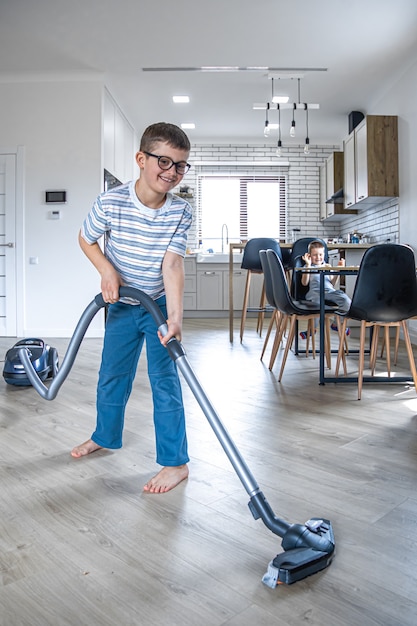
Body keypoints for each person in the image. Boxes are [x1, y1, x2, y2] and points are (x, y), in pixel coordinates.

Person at [71, 122, 193, 494]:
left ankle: (176, 464)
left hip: (155, 304)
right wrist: (106, 270)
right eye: (164, 161)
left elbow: (172, 265)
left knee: (165, 382)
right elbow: (86, 238)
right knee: (112, 374)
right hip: (122, 305)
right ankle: (104, 436)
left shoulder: (180, 212)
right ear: (141, 159)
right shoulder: (110, 202)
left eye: (181, 165)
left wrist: (174, 318)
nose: (171, 172)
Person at [299, 240, 351, 338]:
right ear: (309, 255)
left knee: (346, 300)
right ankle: (312, 329)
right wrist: (308, 266)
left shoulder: (327, 266)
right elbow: (304, 283)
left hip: (329, 291)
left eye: (320, 254)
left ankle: (337, 324)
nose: (318, 257)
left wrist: (338, 270)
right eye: (315, 255)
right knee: (317, 302)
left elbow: (332, 283)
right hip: (315, 292)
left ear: (324, 254)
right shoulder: (307, 267)